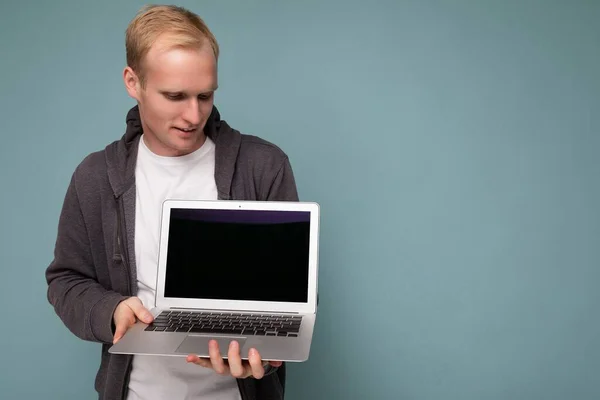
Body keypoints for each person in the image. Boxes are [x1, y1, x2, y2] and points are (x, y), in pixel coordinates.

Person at [45, 4, 298, 400]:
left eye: (205, 95)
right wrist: (110, 310)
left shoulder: (263, 166)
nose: (193, 115)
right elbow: (66, 281)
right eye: (175, 96)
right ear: (133, 81)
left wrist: (265, 357)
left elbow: (290, 297)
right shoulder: (95, 177)